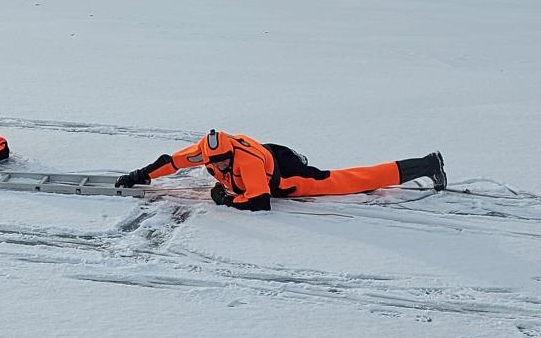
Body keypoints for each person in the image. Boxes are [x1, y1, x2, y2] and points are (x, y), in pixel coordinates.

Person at [115, 129, 446, 211]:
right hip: (269, 152)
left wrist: (224, 199)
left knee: (354, 180)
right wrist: (140, 175)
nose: (214, 166)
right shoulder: (206, 151)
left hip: (284, 175)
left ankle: (428, 164)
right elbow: (169, 162)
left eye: (221, 162)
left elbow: (259, 201)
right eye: (211, 162)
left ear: (230, 153)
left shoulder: (245, 163)